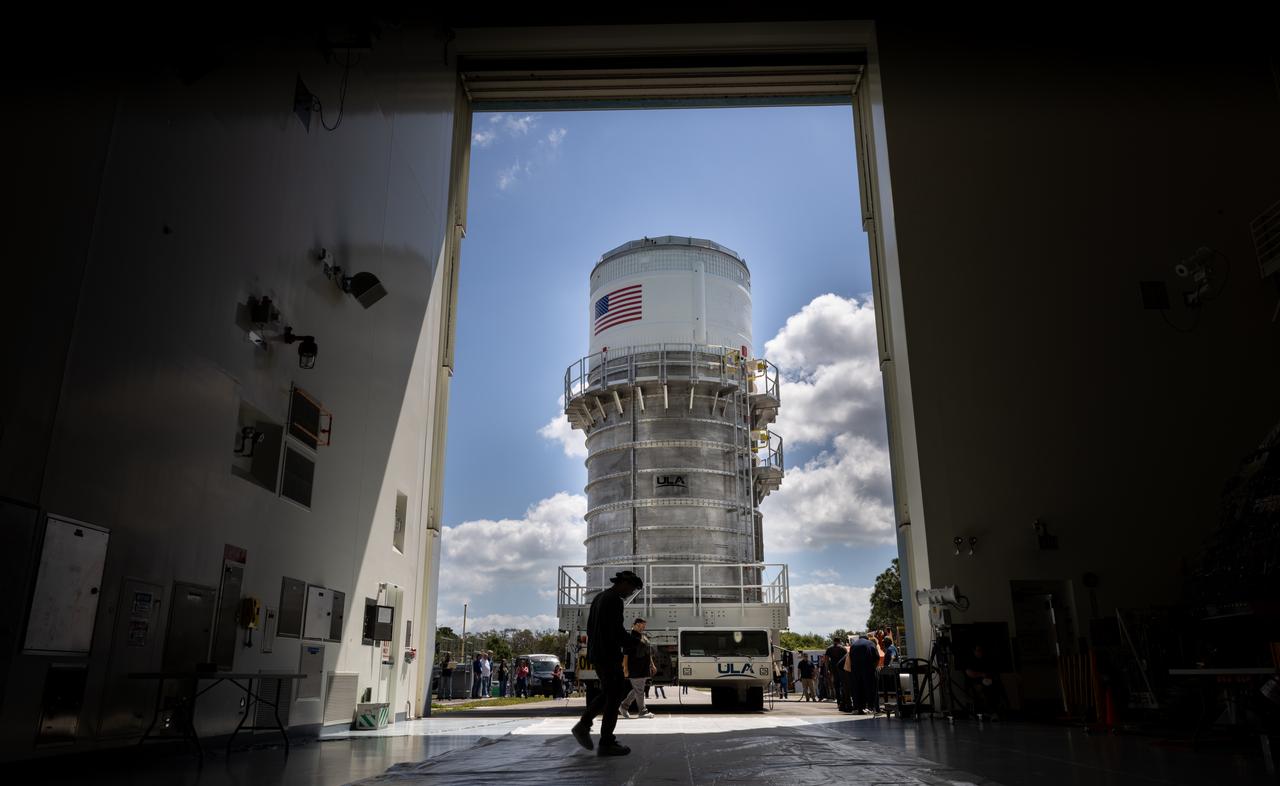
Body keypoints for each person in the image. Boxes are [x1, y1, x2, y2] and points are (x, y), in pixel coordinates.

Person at [571, 570, 643, 756]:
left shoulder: (599, 598)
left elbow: (594, 629)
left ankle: (586, 726)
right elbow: (616, 632)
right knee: (614, 696)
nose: (630, 593)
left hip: (598, 653)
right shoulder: (614, 601)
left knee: (610, 692)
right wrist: (634, 638)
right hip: (608, 655)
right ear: (624, 583)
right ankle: (605, 741)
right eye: (631, 589)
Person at [619, 617, 656, 719]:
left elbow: (648, 653)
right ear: (634, 625)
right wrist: (625, 669)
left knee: (637, 690)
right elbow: (625, 655)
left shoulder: (643, 637)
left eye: (643, 626)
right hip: (635, 668)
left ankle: (624, 706)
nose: (641, 628)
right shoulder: (630, 638)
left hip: (644, 668)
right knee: (639, 690)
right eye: (639, 625)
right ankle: (642, 712)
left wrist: (652, 664)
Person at [848, 632, 880, 713]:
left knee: (857, 688)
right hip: (868, 669)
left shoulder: (853, 645)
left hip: (856, 671)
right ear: (867, 638)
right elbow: (877, 657)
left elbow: (850, 658)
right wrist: (874, 668)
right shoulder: (870, 643)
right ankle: (871, 707)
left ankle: (858, 707)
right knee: (870, 688)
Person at [826, 637, 850, 710]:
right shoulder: (843, 648)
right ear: (839, 641)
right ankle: (844, 701)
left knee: (836, 686)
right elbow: (847, 658)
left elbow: (826, 659)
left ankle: (839, 702)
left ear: (833, 641)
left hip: (833, 669)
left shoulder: (829, 648)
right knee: (843, 685)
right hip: (842, 668)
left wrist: (827, 669)